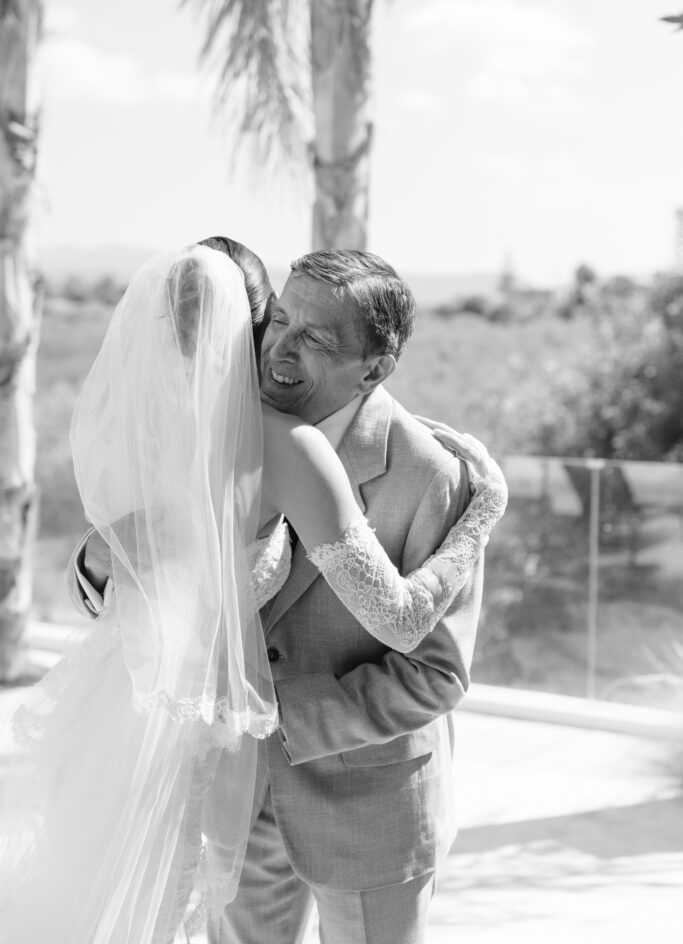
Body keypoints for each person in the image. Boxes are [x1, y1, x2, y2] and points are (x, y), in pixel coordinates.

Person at [66, 241, 506, 944]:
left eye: (317, 340)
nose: (280, 351)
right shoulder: (214, 432)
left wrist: (280, 721)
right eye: (278, 323)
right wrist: (94, 568)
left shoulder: (431, 474)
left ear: (377, 364)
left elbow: (436, 673)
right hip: (227, 802)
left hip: (366, 809)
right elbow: (126, 564)